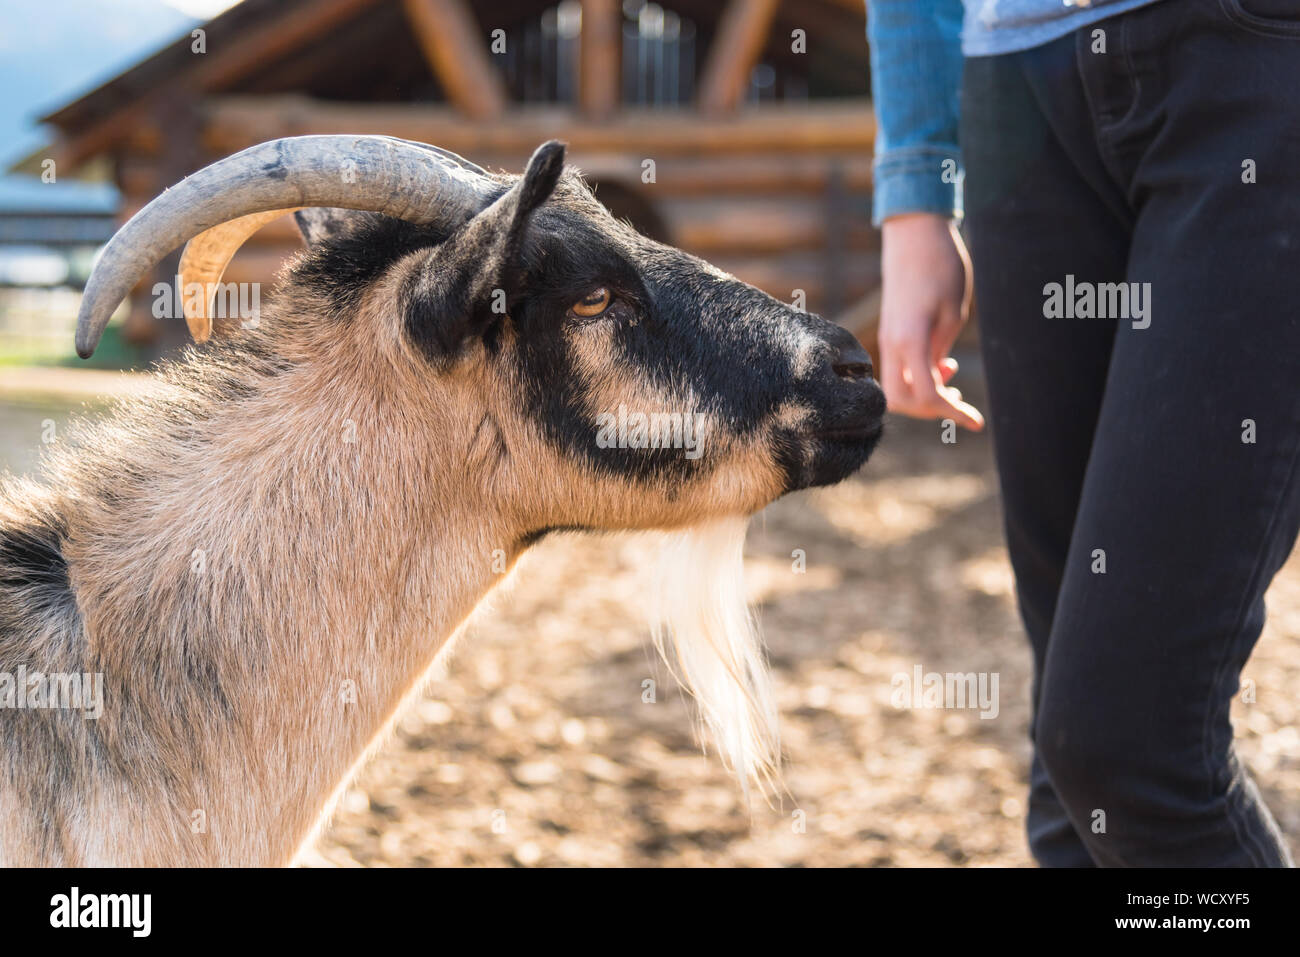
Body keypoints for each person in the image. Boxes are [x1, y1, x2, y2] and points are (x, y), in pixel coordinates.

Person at [867, 0, 1300, 866]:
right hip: (1017, 85)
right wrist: (916, 195)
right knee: (1072, 777)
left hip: (1255, 61)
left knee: (1126, 742)